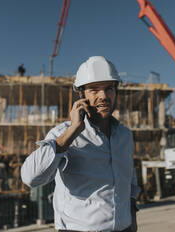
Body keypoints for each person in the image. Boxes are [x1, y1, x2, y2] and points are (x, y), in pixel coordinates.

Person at [21, 56, 140, 232]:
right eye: (94, 90)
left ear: (116, 91)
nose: (103, 96)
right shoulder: (63, 134)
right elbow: (30, 177)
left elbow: (129, 179)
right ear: (82, 95)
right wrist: (72, 132)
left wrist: (132, 217)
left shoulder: (125, 135)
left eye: (109, 89)